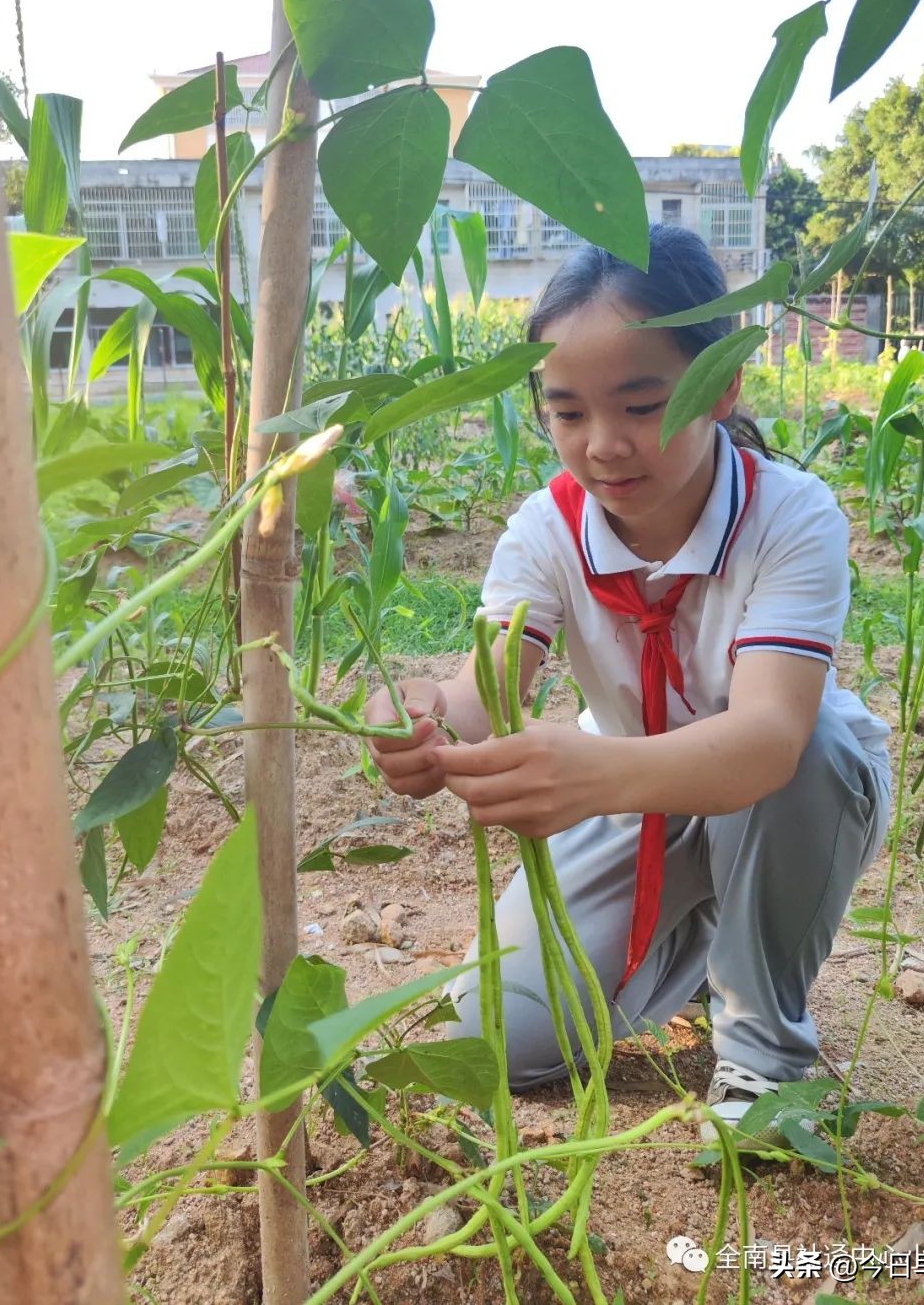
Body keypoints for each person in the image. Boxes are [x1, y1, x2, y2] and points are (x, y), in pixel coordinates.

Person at [364, 224, 892, 1142]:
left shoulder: (789, 515)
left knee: (811, 749)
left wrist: (592, 776)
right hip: (623, 799)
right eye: (568, 413)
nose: (603, 445)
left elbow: (768, 735)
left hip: (776, 794)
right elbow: (486, 690)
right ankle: (697, 945)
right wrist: (422, 715)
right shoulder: (549, 527)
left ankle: (763, 1063)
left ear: (722, 384)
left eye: (642, 404)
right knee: (494, 1042)